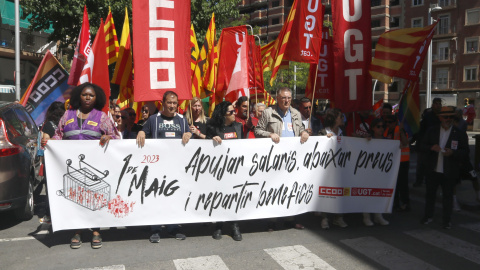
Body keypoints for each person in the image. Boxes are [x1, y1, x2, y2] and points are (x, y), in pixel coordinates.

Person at [43, 82, 119, 249]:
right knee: (76, 198)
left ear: (96, 98)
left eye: (91, 95)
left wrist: (109, 138)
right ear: (79, 96)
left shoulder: (102, 117)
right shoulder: (67, 115)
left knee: (93, 199)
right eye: (85, 94)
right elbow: (58, 136)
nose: (87, 98)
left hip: (93, 168)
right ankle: (77, 230)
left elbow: (115, 136)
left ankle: (96, 231)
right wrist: (49, 142)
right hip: (72, 167)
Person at [136, 91, 192, 243]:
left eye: (175, 103)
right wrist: (141, 130)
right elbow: (144, 132)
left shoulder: (182, 120)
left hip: (176, 167)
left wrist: (189, 134)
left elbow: (188, 137)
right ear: (163, 103)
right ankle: (155, 228)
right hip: (157, 167)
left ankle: (172, 227)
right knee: (156, 197)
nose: (172, 106)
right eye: (169, 102)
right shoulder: (154, 119)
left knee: (173, 197)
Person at [255, 87, 309, 230]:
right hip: (274, 159)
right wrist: (269, 135)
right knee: (274, 188)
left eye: (289, 98)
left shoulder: (296, 113)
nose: (287, 101)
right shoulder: (268, 112)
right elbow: (257, 130)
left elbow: (301, 128)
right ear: (277, 99)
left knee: (291, 188)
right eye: (284, 98)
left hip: (292, 159)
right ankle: (272, 220)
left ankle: (290, 218)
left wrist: (303, 132)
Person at [421, 106, 469, 229]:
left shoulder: (459, 133)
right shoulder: (432, 130)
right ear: (440, 117)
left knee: (448, 197)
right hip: (433, 169)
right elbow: (422, 146)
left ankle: (446, 220)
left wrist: (453, 153)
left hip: (449, 171)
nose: (448, 119)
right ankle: (428, 216)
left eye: (451, 117)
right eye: (446, 117)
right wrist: (431, 147)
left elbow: (465, 151)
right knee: (430, 195)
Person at [206, 101, 243, 241]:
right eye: (231, 112)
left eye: (234, 111)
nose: (234, 114)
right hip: (219, 170)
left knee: (234, 197)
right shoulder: (212, 127)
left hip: (235, 169)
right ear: (223, 114)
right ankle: (219, 225)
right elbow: (205, 148)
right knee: (220, 196)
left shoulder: (238, 127)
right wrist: (210, 139)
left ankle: (235, 226)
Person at [318, 108, 348, 229]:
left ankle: (338, 217)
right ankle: (324, 218)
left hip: (341, 167)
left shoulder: (343, 131)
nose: (342, 118)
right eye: (340, 116)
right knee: (326, 193)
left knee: (340, 192)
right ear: (334, 118)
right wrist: (324, 139)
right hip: (327, 169)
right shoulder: (323, 132)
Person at [39, 101, 66, 224]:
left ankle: (49, 215)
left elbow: (45, 141)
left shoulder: (48, 125)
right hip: (65, 161)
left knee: (51, 188)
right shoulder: (66, 125)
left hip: (51, 162)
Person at [362, 118, 390, 226]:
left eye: (383, 126)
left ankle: (378, 216)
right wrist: (364, 140)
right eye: (378, 126)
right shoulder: (368, 139)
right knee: (367, 193)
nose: (381, 129)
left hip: (380, 172)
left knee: (379, 193)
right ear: (373, 128)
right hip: (368, 172)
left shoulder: (386, 141)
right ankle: (366, 216)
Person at [384, 115, 411, 212]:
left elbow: (405, 142)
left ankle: (405, 202)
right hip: (392, 161)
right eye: (386, 122)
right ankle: (395, 202)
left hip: (402, 160)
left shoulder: (399, 130)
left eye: (390, 122)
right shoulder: (386, 131)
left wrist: (402, 131)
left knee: (402, 183)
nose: (388, 124)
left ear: (395, 122)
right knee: (393, 183)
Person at [414, 98, 442, 187]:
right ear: (433, 105)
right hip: (426, 144)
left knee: (434, 165)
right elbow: (421, 130)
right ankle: (419, 180)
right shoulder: (428, 117)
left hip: (437, 144)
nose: (438, 105)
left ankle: (431, 181)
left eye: (439, 104)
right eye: (436, 104)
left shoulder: (442, 117)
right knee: (422, 164)